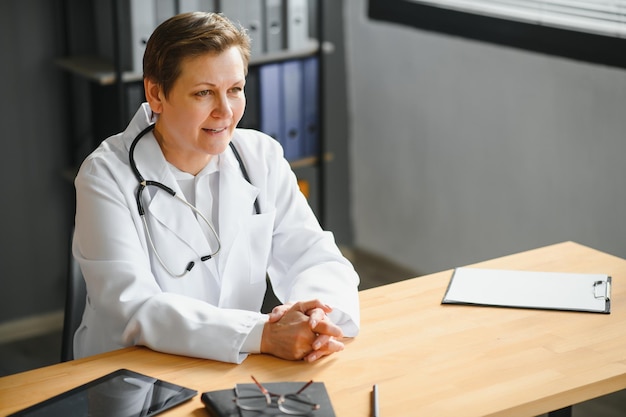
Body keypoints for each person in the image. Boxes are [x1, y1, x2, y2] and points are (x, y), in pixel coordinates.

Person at [71, 11, 360, 364]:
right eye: (204, 93)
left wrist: (319, 316)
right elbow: (133, 307)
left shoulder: (261, 157)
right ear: (156, 93)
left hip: (231, 364)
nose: (225, 112)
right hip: (134, 374)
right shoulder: (105, 175)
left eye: (235, 90)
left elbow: (312, 256)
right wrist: (262, 334)